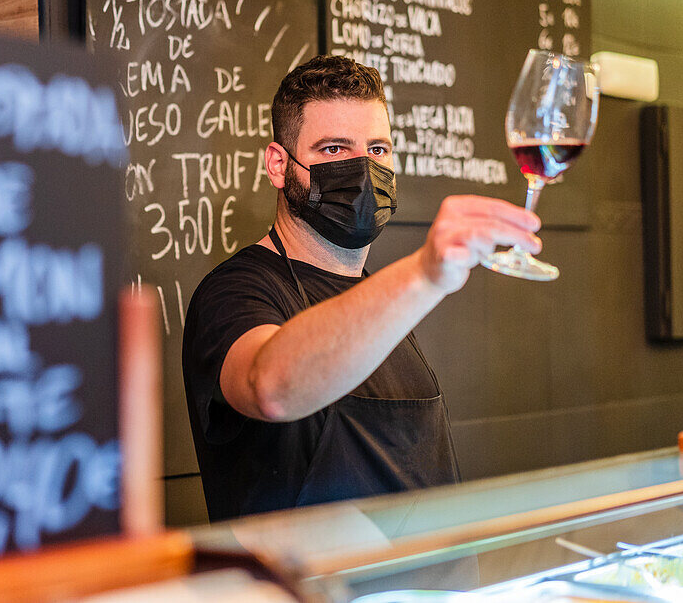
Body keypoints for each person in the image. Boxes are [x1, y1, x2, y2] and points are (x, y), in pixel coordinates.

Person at [182, 55, 542, 521]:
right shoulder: (235, 292)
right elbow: (269, 385)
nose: (363, 170)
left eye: (377, 150)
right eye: (334, 149)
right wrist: (424, 273)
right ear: (277, 165)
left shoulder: (380, 298)